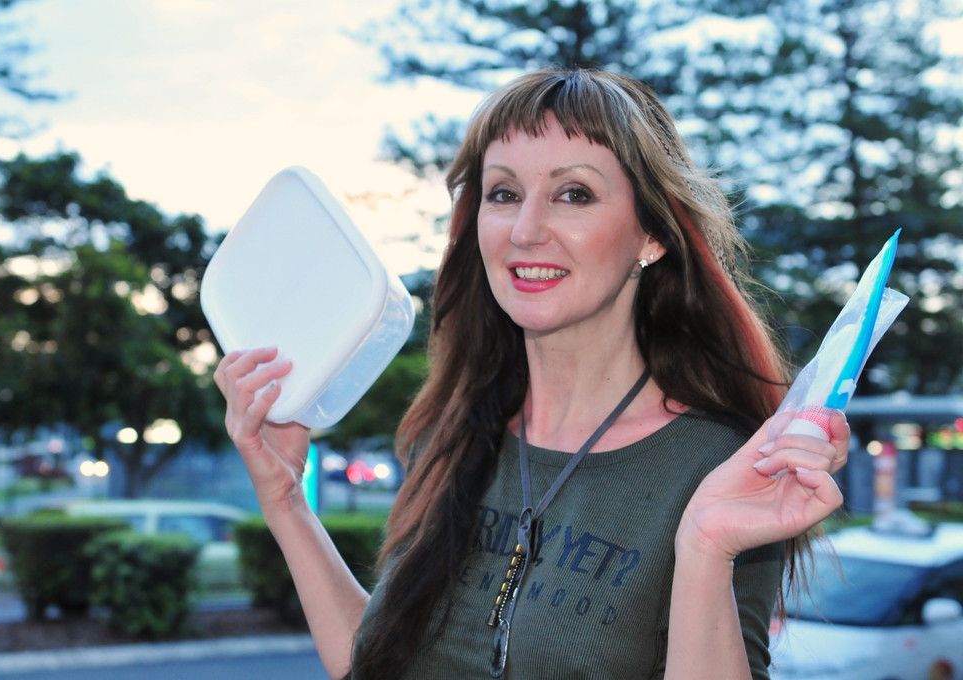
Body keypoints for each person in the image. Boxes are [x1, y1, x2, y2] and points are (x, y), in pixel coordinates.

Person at [213, 68, 850, 680]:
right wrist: (285, 498)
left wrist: (707, 545)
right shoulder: (453, 434)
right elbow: (376, 661)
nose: (525, 230)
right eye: (504, 194)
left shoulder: (720, 467)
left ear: (651, 236)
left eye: (574, 194)